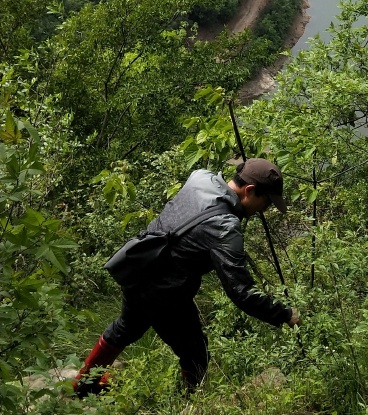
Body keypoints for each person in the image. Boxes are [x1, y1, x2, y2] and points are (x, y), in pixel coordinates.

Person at [73, 159, 300, 398]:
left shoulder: (200, 176)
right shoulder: (225, 227)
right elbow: (241, 292)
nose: (264, 211)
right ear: (250, 191)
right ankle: (190, 408)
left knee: (126, 327)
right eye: (266, 203)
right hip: (165, 292)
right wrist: (284, 314)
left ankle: (84, 384)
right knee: (195, 352)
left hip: (139, 267)